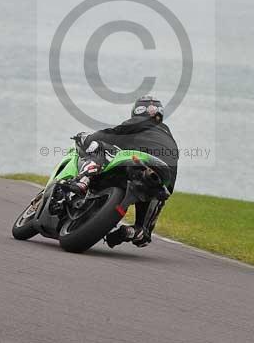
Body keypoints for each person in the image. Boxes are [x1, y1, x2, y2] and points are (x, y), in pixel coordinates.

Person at [64, 94, 178, 248]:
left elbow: (111, 134)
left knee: (99, 147)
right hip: (165, 179)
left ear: (137, 111)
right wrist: (166, 190)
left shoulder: (140, 122)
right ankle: (133, 231)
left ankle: (84, 180)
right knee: (144, 232)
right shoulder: (169, 136)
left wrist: (87, 138)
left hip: (142, 162)